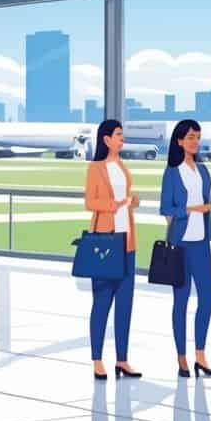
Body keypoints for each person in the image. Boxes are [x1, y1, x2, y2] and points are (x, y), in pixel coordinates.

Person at [160, 119, 211, 379]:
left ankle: (200, 355)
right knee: (181, 301)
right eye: (191, 137)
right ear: (180, 141)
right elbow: (165, 208)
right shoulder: (172, 172)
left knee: (207, 297)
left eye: (198, 137)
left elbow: (206, 200)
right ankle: (182, 358)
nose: (195, 141)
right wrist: (192, 209)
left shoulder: (203, 170)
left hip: (201, 242)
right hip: (181, 243)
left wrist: (205, 209)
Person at [84, 119, 142, 381]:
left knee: (125, 306)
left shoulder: (122, 167)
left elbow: (126, 199)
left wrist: (132, 202)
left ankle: (122, 359)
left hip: (127, 242)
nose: (122, 139)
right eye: (118, 135)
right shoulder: (96, 168)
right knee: (102, 303)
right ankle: (97, 360)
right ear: (106, 139)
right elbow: (90, 202)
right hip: (106, 244)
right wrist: (116, 204)